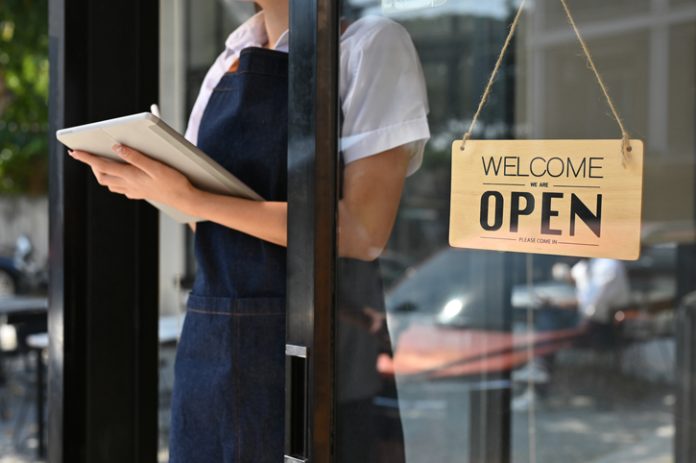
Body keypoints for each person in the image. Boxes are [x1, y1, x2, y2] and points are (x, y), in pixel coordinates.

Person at [67, 1, 430, 461]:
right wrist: (159, 186)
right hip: (209, 344)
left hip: (316, 351)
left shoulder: (371, 46)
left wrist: (195, 199)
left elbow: (362, 231)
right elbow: (207, 220)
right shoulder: (228, 60)